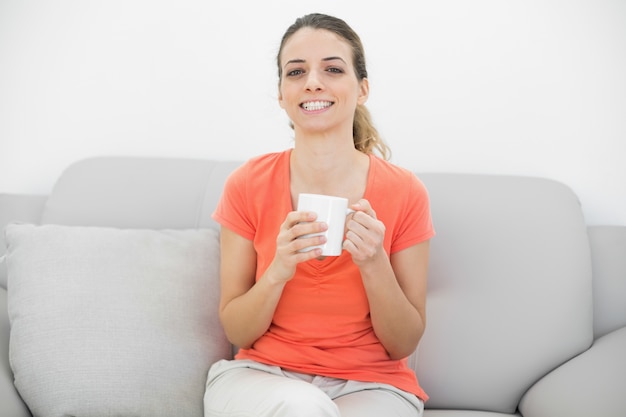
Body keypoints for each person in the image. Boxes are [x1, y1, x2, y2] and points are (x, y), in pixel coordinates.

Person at [204, 12, 435, 417]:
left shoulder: (405, 192)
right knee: (301, 408)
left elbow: (403, 343)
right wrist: (278, 270)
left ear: (361, 89)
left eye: (332, 68)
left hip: (372, 385)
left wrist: (373, 262)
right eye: (296, 72)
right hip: (263, 378)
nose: (313, 81)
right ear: (281, 94)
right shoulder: (246, 183)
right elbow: (237, 331)